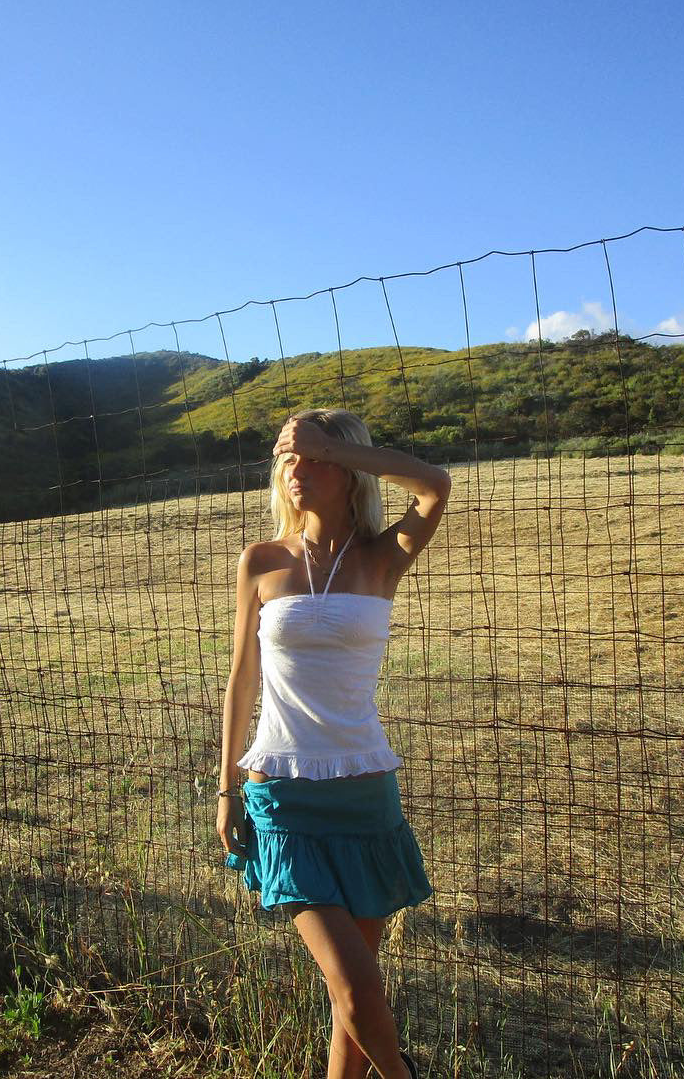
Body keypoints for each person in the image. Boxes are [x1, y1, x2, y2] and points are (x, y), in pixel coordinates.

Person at [216, 408, 451, 1079]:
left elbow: (435, 485)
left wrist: (333, 445)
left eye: (314, 457)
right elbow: (240, 682)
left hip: (365, 802)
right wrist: (226, 788)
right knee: (358, 989)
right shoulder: (261, 562)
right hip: (282, 801)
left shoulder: (383, 556)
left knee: (349, 1006)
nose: (297, 469)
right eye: (288, 457)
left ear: (348, 471)